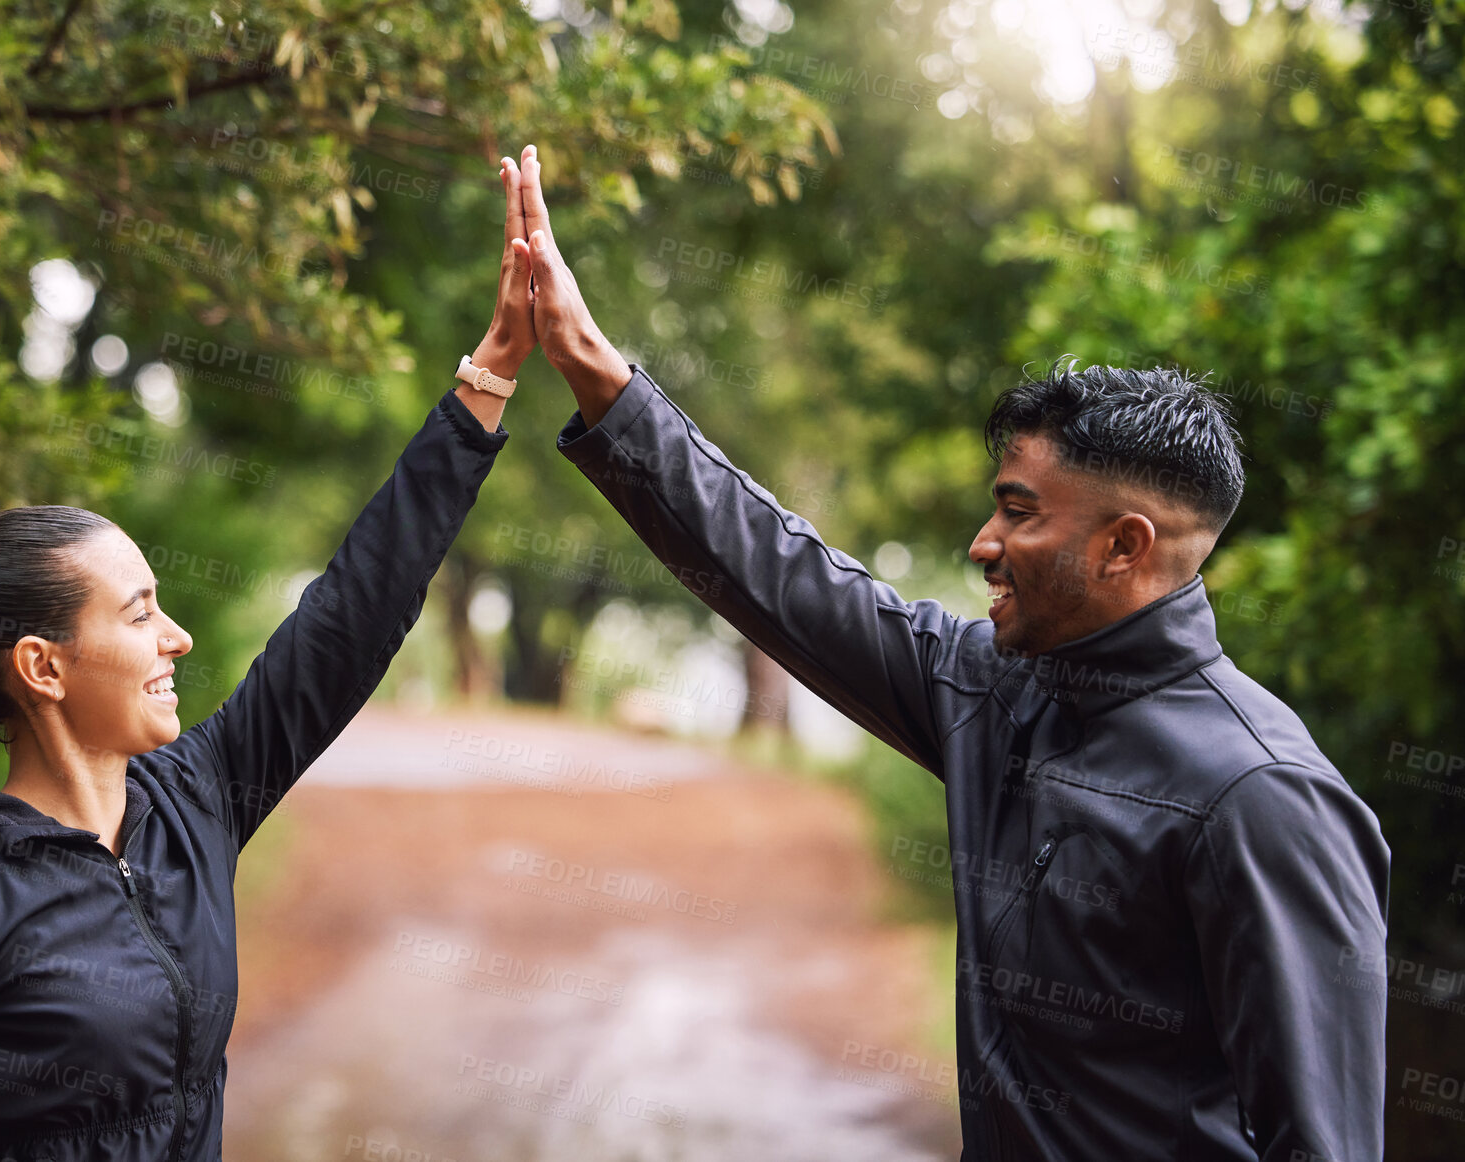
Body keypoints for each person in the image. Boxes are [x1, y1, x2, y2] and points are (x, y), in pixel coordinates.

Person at [506, 147, 1390, 1160]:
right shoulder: (991, 690)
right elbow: (780, 574)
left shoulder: (1261, 796)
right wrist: (590, 366)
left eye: (1017, 513)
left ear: (1124, 545)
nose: (982, 543)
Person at [0, 153, 543, 1161]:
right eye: (140, 611)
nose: (177, 638)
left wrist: (490, 375)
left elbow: (348, 620)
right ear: (43, 665)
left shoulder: (190, 803)